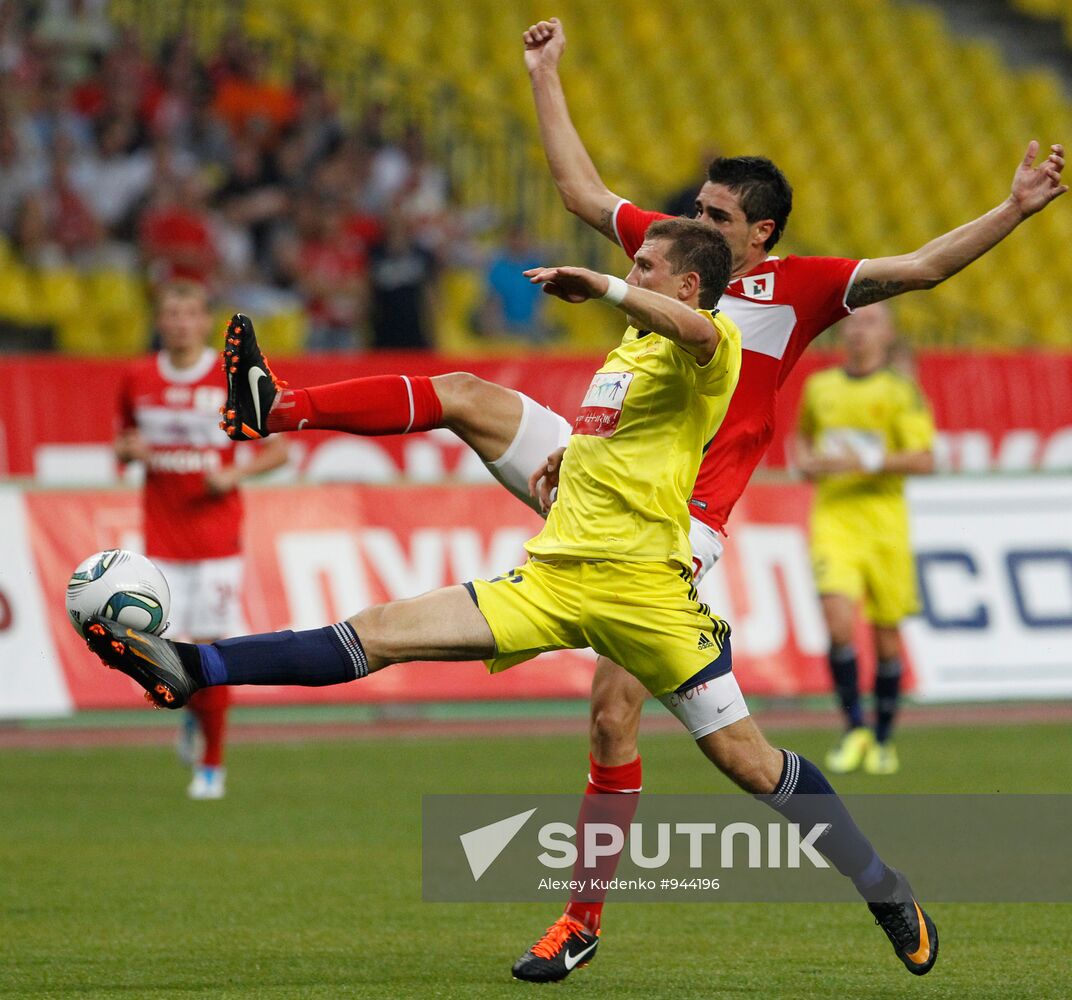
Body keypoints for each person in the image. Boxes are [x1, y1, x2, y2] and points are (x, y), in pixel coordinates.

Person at [87, 222, 941, 983]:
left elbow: (691, 332)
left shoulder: (705, 336)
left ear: (686, 284)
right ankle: (191, 667)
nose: (631, 269)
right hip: (555, 579)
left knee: (751, 766)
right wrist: (575, 464)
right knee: (381, 632)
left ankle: (882, 887)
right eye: (628, 264)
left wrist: (603, 285)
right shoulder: (627, 359)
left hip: (650, 600)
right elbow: (623, 442)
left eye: (645, 265)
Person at [115, 280, 287, 799]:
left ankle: (211, 765)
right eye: (171, 311)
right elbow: (123, 445)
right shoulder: (136, 376)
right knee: (164, 655)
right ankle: (193, 717)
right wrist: (133, 453)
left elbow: (279, 451)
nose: (180, 322)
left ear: (204, 319)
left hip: (217, 540)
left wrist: (232, 477)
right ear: (160, 319)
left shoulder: (232, 374)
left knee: (211, 651)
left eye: (190, 312)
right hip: (162, 538)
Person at [795, 304, 935, 775]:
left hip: (885, 525)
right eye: (854, 321)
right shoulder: (821, 388)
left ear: (888, 333)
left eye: (871, 322)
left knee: (887, 638)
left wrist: (866, 462)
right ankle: (854, 727)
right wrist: (810, 463)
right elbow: (804, 444)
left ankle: (883, 738)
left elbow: (923, 459)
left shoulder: (900, 392)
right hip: (835, 519)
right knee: (837, 623)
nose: (859, 330)